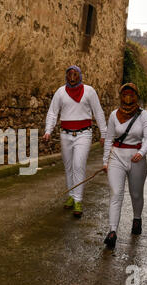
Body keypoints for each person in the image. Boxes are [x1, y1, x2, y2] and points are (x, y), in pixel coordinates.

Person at [43, 66, 107, 218]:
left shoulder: (89, 91)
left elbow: (98, 112)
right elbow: (53, 112)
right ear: (66, 76)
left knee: (78, 165)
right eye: (69, 74)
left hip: (83, 134)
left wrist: (104, 133)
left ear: (80, 75)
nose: (72, 77)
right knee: (69, 166)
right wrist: (48, 130)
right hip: (65, 134)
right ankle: (72, 195)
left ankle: (78, 200)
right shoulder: (60, 92)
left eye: (75, 74)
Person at [102, 83, 147, 248]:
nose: (128, 97)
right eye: (125, 94)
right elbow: (109, 139)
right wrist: (105, 161)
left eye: (131, 94)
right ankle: (112, 231)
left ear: (136, 96)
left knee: (136, 194)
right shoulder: (113, 115)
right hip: (116, 157)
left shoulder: (143, 115)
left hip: (136, 159)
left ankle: (137, 219)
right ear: (121, 96)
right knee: (116, 193)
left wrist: (142, 152)